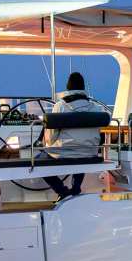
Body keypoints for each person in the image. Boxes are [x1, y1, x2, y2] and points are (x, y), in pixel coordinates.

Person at [39, 71, 102, 199]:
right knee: (82, 152)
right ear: (83, 88)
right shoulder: (95, 108)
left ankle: (62, 191)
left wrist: (47, 145)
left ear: (68, 88)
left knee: (39, 162)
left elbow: (51, 137)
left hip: (64, 152)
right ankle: (76, 187)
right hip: (89, 151)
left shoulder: (60, 106)